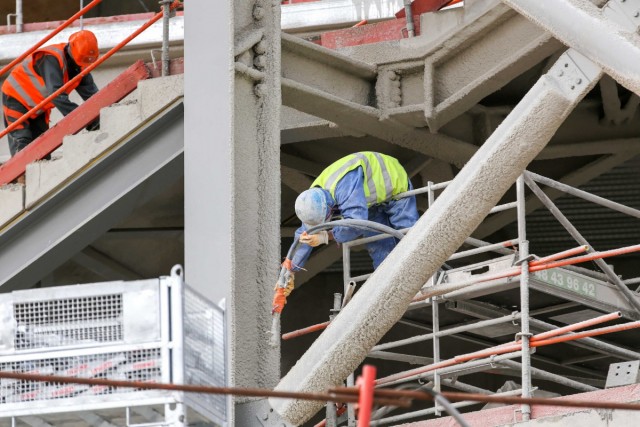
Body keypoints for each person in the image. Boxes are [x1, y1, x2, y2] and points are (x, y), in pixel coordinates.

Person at [272, 152, 420, 313]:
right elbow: (303, 236)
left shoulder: (344, 187)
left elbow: (356, 223)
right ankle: (390, 289)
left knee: (408, 235)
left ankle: (420, 275)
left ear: (329, 209)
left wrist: (327, 236)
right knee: (379, 246)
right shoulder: (312, 199)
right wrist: (289, 272)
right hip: (371, 200)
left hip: (393, 184)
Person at [2, 30, 100, 157]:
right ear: (71, 50)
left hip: (39, 107)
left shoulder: (80, 66)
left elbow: (93, 96)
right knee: (22, 142)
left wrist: (98, 116)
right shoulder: (51, 58)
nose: (82, 66)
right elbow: (57, 95)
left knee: (42, 148)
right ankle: (21, 176)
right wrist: (82, 117)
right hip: (15, 97)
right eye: (81, 62)